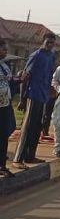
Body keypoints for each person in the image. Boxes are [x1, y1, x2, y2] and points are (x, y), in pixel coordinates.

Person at [12, 32, 56, 169]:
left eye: (52, 43)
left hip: (43, 95)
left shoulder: (51, 56)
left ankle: (30, 155)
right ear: (43, 42)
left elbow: (49, 75)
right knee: (28, 126)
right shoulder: (35, 56)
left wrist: (50, 89)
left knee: (38, 126)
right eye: (48, 42)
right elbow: (25, 78)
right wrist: (22, 99)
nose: (50, 45)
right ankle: (18, 158)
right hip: (33, 94)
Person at [0, 39, 19, 177]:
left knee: (5, 133)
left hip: (5, 104)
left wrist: (20, 80)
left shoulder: (4, 65)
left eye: (6, 49)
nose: (6, 52)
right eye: (4, 49)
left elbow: (10, 82)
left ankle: (2, 165)